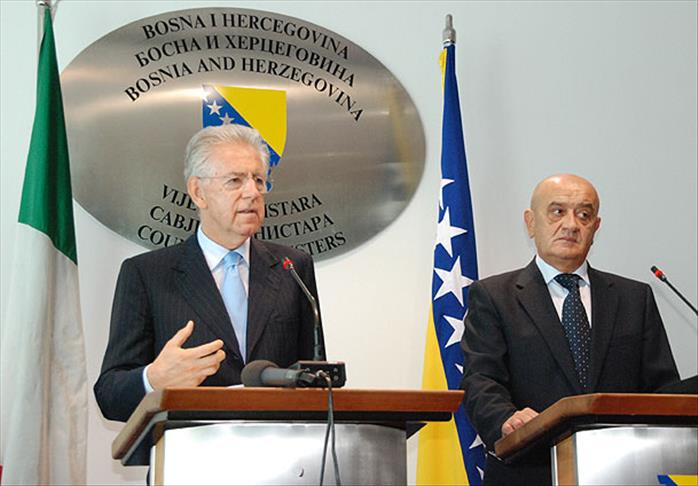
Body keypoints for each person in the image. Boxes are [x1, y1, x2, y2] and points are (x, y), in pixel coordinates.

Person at [94, 124, 323, 423]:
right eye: (235, 180)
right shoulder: (147, 274)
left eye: (258, 180)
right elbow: (109, 395)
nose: (252, 192)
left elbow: (315, 379)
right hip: (190, 445)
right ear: (198, 192)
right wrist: (154, 378)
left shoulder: (292, 268)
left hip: (279, 444)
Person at [461, 174, 679, 485]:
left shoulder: (634, 297)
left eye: (584, 214)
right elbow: (481, 379)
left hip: (623, 471)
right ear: (531, 222)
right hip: (529, 470)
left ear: (596, 227)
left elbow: (663, 390)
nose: (571, 224)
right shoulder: (494, 296)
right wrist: (507, 419)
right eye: (557, 211)